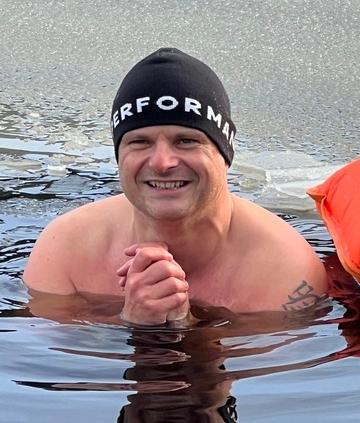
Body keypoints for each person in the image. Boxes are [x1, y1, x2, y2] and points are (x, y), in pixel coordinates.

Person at [23, 47, 329, 325]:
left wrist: (181, 327)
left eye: (186, 140)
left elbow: (259, 378)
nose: (161, 162)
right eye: (139, 142)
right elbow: (48, 357)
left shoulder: (286, 274)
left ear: (224, 155)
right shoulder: (64, 248)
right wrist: (133, 322)